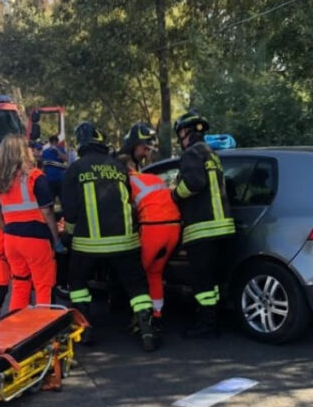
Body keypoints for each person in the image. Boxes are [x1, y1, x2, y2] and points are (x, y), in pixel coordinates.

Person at [61, 121, 158, 352]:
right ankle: (146, 328)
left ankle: (85, 328)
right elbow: (130, 200)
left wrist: (69, 237)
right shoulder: (117, 166)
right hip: (125, 242)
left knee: (77, 281)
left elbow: (70, 210)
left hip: (88, 244)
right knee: (136, 285)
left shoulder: (75, 170)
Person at [171, 111, 236, 338]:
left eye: (180, 133)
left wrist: (175, 195)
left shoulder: (191, 154)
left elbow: (194, 184)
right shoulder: (212, 154)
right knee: (213, 280)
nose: (180, 138)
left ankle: (205, 324)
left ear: (186, 132)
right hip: (224, 228)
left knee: (201, 280)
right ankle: (213, 319)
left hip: (202, 229)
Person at [0, 134, 63, 310]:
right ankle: (43, 330)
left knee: (20, 284)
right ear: (23, 152)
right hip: (36, 239)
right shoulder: (35, 177)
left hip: (11, 240)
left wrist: (9, 231)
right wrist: (56, 238)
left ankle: (18, 327)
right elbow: (47, 212)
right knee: (43, 285)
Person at [116, 153, 180, 326]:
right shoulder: (154, 178)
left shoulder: (127, 183)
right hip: (174, 228)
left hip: (153, 228)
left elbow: (128, 211)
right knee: (155, 273)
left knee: (138, 275)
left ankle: (142, 318)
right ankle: (157, 314)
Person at [41, 135, 68, 202]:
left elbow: (66, 159)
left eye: (55, 142)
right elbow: (44, 166)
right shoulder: (45, 152)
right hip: (49, 180)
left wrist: (57, 151)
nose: (54, 144)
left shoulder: (61, 150)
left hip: (60, 180)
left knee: (63, 200)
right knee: (50, 201)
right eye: (53, 142)